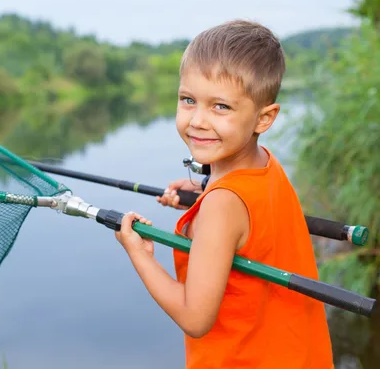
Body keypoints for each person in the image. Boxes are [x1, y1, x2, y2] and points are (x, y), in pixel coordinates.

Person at [114, 20, 334, 368]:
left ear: (264, 118)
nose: (198, 120)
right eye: (188, 100)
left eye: (221, 107)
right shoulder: (266, 166)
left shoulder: (223, 205)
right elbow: (247, 212)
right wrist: (203, 188)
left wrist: (139, 253)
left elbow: (195, 318)